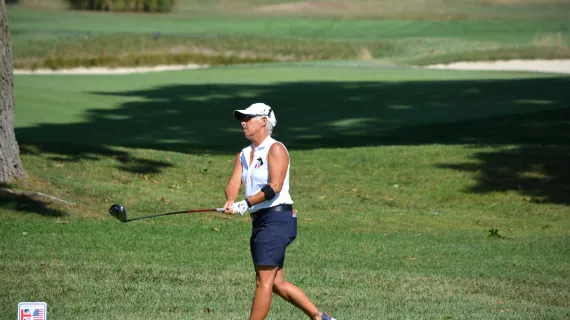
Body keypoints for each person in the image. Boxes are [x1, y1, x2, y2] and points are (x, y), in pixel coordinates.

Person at [223, 103, 336, 320]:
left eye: (248, 118)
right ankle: (320, 317)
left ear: (264, 121)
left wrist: (245, 203)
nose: (243, 122)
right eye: (241, 119)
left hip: (277, 218)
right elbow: (233, 183)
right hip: (261, 221)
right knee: (275, 282)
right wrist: (230, 200)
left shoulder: (275, 149)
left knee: (262, 281)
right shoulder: (244, 154)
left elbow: (274, 186)